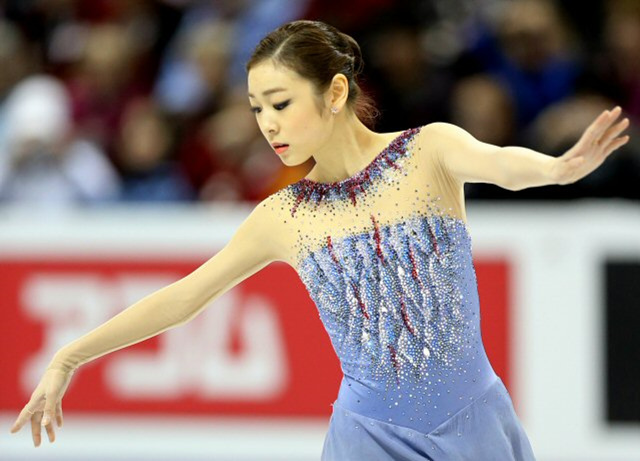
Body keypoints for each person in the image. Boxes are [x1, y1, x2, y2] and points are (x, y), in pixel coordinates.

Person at [10, 19, 630, 460]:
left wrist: (555, 168)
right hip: (368, 437)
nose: (268, 124)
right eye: (257, 109)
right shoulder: (284, 215)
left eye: (280, 102)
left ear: (335, 92)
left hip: (476, 426)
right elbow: (182, 298)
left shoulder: (429, 151)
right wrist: (68, 357)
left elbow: (501, 163)